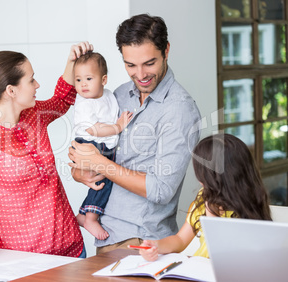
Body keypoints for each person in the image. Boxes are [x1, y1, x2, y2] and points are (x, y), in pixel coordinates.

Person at [0, 42, 95, 258]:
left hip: (71, 249)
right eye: (31, 80)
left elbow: (61, 101)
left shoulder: (35, 114)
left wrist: (71, 62)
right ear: (11, 90)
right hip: (19, 260)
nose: (37, 84)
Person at [68, 14, 202, 254]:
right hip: (106, 237)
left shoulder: (180, 109)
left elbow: (161, 190)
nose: (140, 74)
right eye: (131, 65)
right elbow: (93, 155)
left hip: (143, 243)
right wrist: (79, 171)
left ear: (166, 51)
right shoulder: (117, 96)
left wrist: (99, 162)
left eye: (149, 63)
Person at [139, 133, 272, 261]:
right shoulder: (204, 197)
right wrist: (156, 246)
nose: (199, 179)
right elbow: (180, 240)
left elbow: (226, 255)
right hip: (199, 270)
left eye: (202, 173)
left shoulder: (247, 209)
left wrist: (212, 216)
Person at [72, 52, 133, 240]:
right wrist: (118, 127)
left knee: (103, 181)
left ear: (104, 79)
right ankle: (90, 217)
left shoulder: (108, 95)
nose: (83, 84)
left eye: (89, 79)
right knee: (104, 179)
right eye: (78, 79)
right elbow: (93, 129)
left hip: (102, 144)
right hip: (89, 143)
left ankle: (84, 215)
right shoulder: (85, 103)